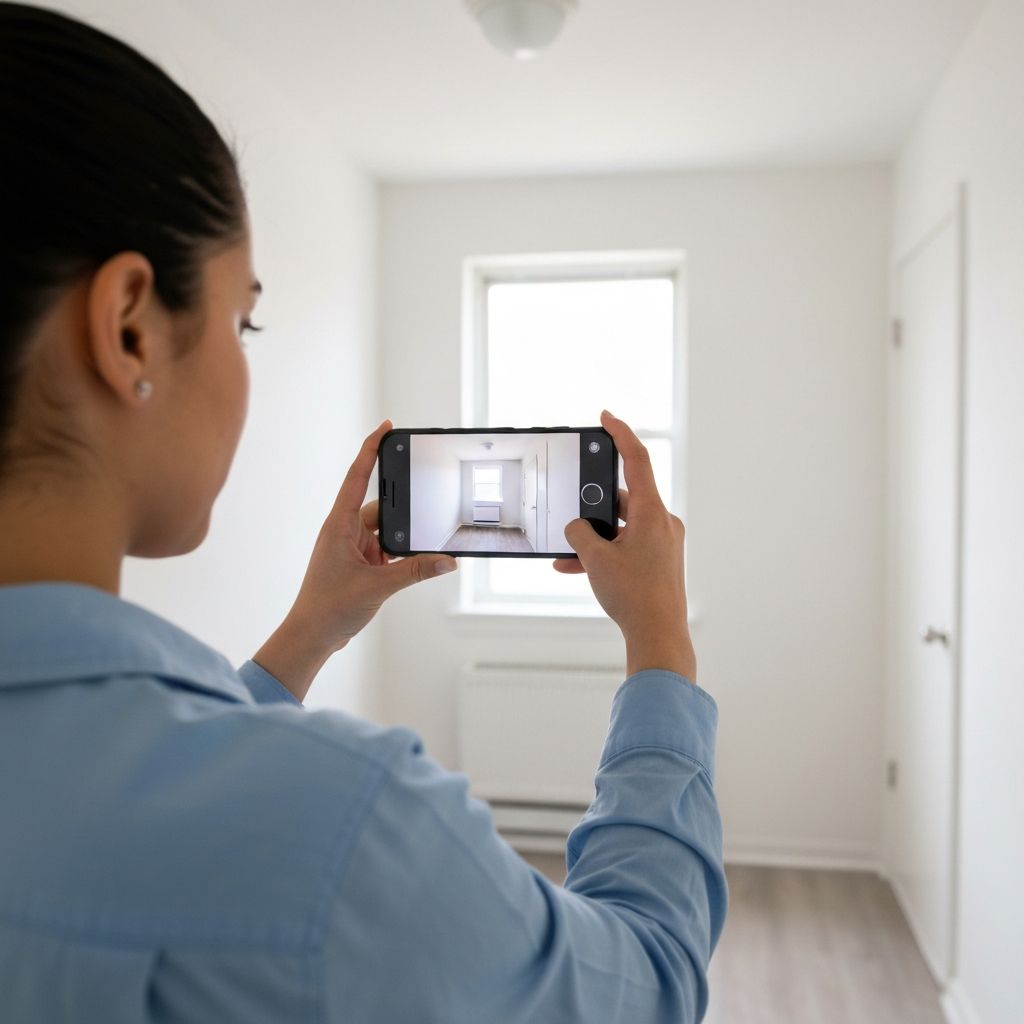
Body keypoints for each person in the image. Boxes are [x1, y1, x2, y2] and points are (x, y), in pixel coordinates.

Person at [0, 4, 727, 1022]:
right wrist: (661, 641)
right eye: (241, 317)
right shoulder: (345, 828)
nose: (246, 358)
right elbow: (647, 982)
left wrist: (311, 628)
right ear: (128, 329)